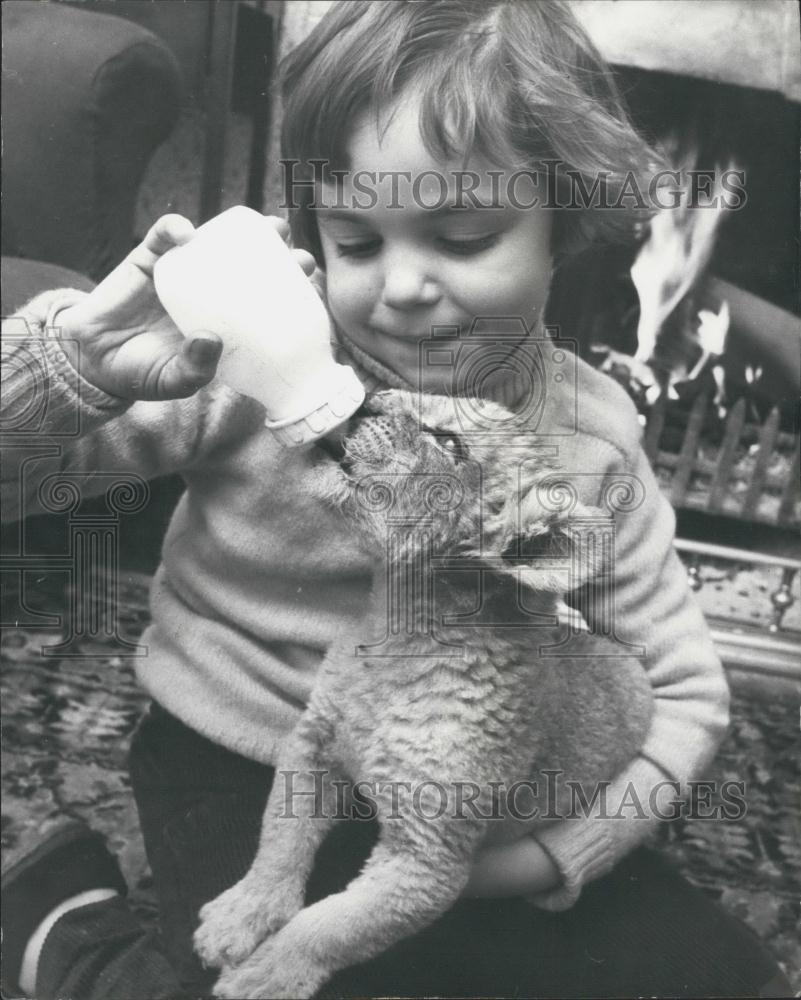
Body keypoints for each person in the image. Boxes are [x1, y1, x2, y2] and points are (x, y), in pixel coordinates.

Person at [0, 2, 791, 997]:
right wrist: (78, 363)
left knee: (733, 981)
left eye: (462, 236)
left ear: (566, 227)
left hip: (480, 780)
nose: (404, 286)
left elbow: (681, 689)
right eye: (358, 243)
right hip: (240, 752)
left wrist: (547, 857)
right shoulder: (237, 362)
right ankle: (78, 935)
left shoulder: (589, 436)